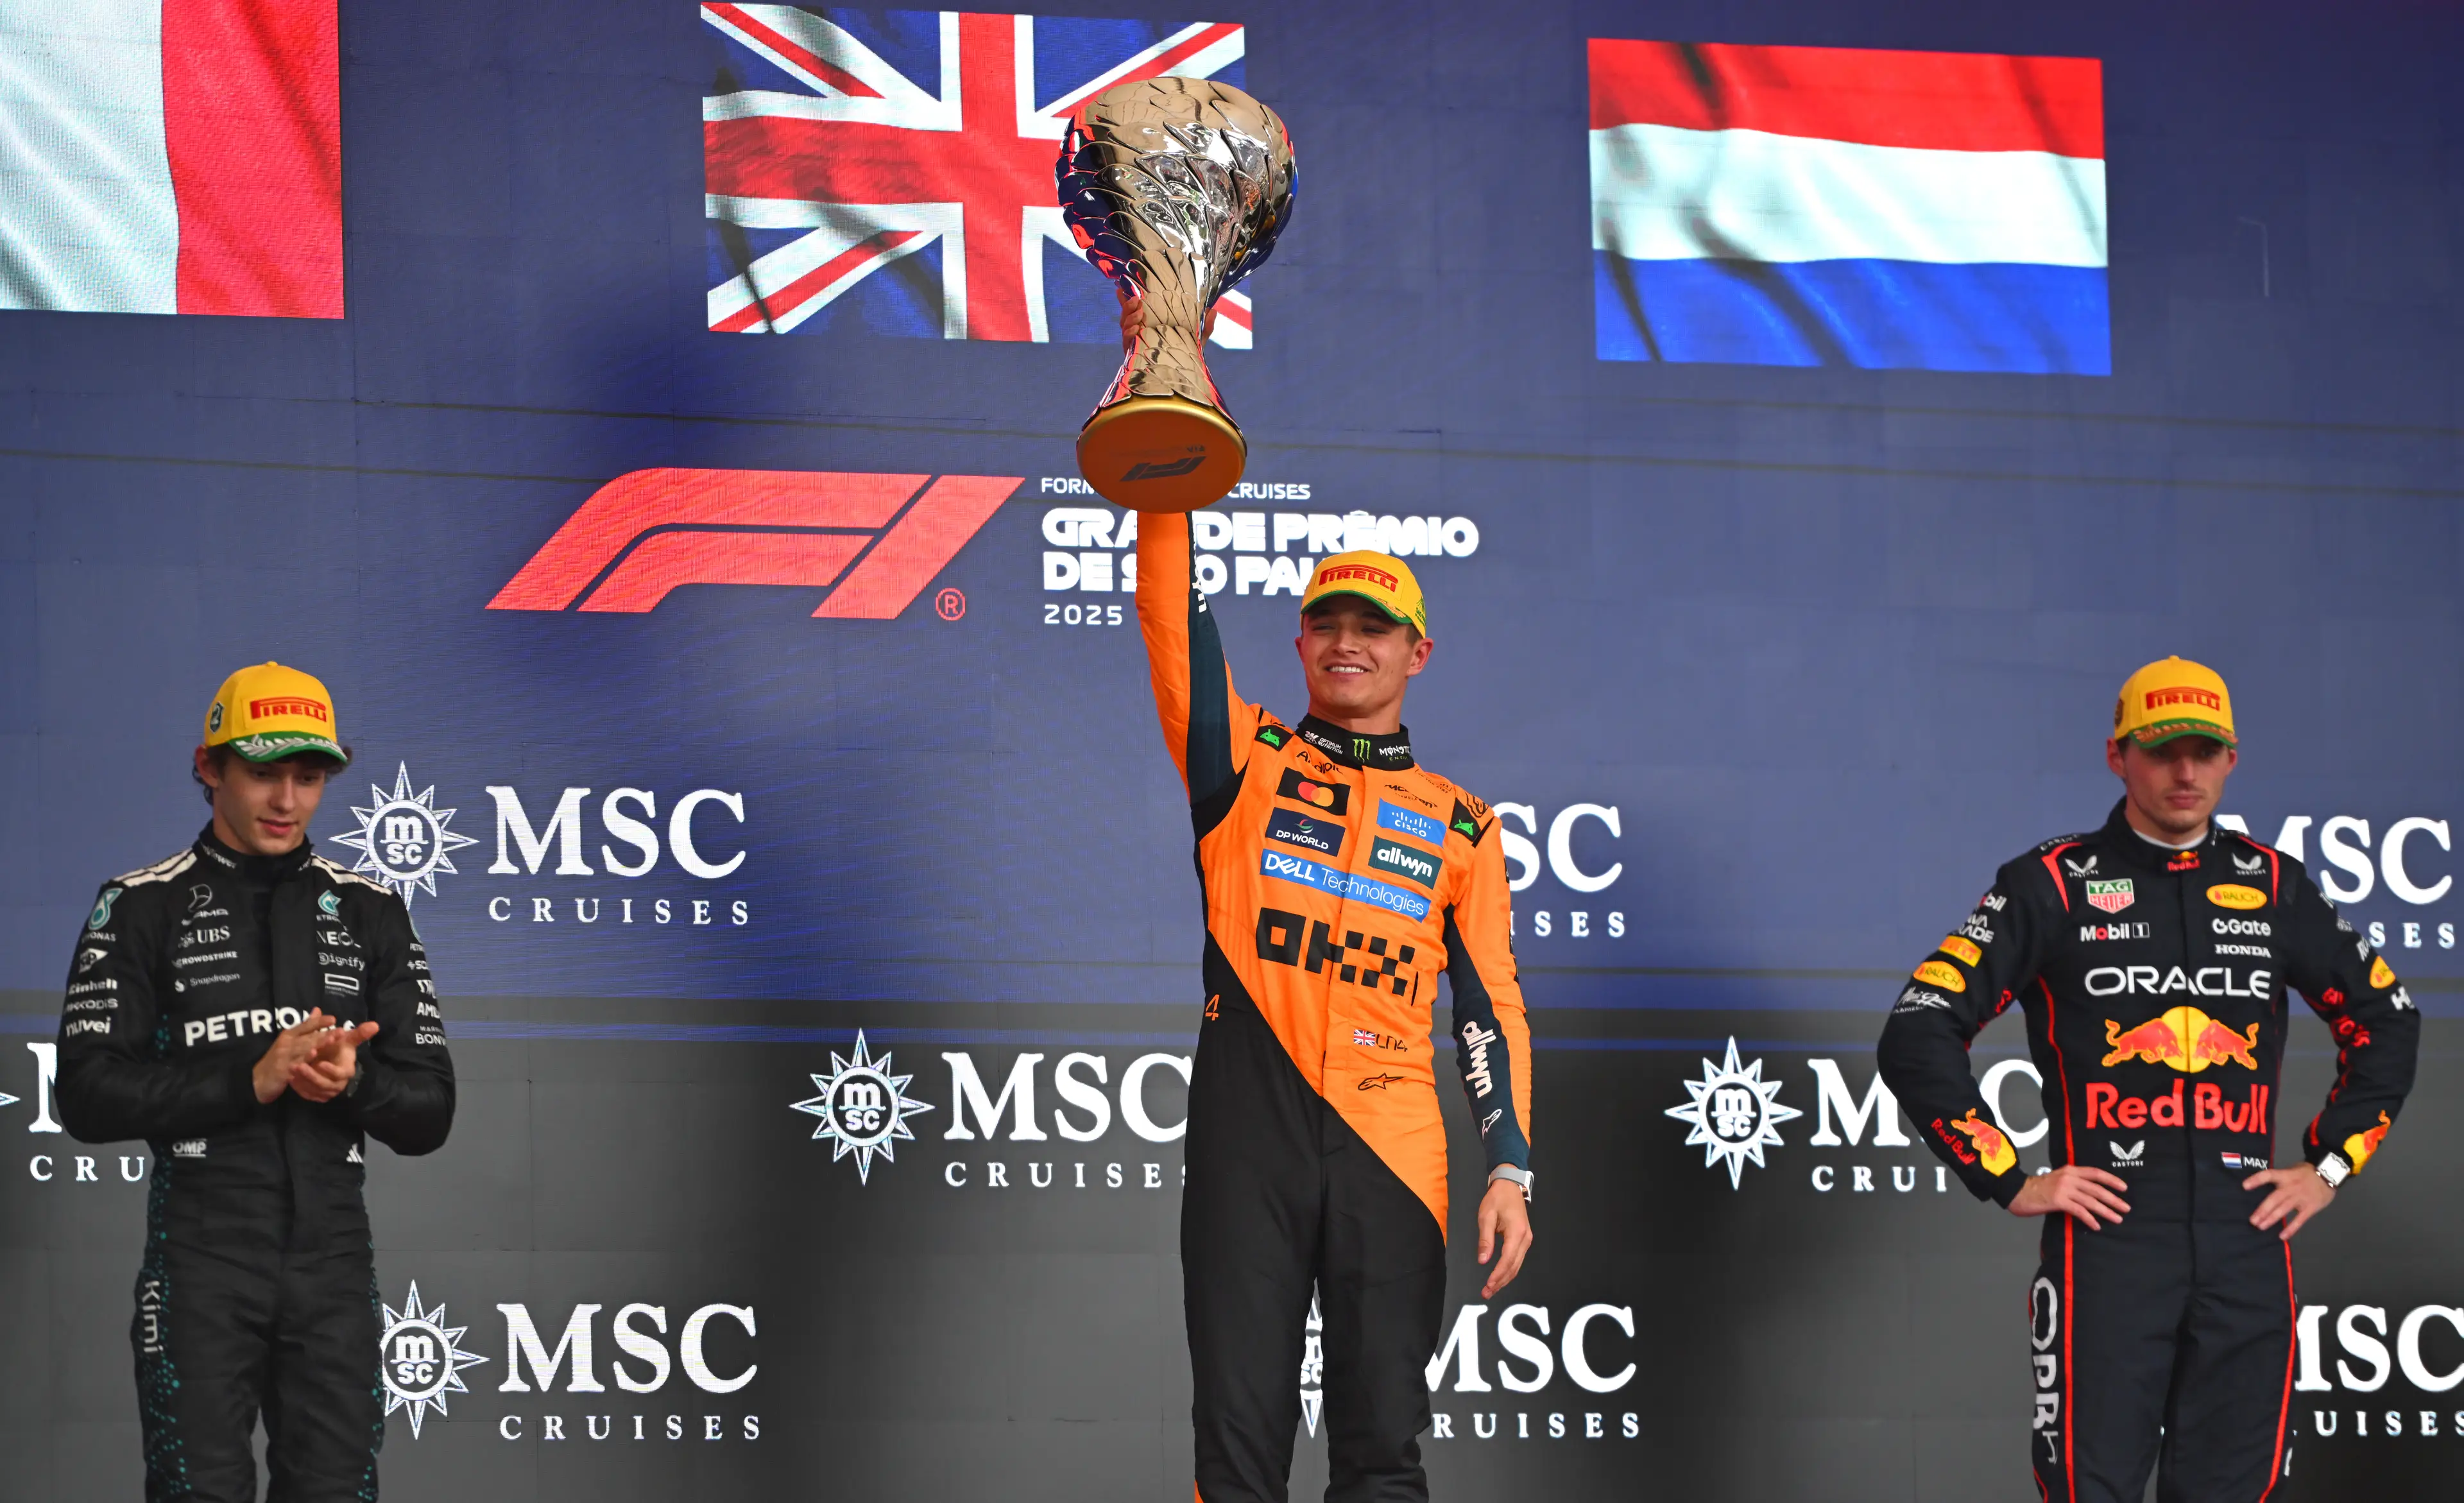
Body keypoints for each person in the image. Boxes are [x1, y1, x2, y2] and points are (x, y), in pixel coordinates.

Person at [1878, 656, 2418, 1502]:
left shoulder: (2275, 885)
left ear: (2233, 758)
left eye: (2205, 750)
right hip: (2109, 1248)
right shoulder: (2053, 882)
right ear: (2117, 755)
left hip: (2247, 1246)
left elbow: (2387, 1019)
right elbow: (1919, 1029)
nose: (2186, 772)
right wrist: (2007, 1174)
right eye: (2163, 749)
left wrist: (2330, 1165)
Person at [1135, 508, 1534, 1503]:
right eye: (1327, 623)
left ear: (1418, 651)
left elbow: (1489, 1008)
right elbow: (1175, 625)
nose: (1347, 643)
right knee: (1234, 1452)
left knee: (1382, 1456)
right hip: (1247, 1144)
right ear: (1301, 641)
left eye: (1374, 627)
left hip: (1394, 1152)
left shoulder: (1462, 823)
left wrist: (1511, 1165)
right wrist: (1164, 486)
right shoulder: (1244, 760)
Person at [56, 662, 455, 1503]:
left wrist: (354, 1081)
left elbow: (430, 1112)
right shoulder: (137, 906)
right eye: (263, 773)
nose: (287, 800)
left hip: (335, 1266)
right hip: (200, 1260)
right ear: (209, 768)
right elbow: (85, 1094)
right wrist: (252, 1078)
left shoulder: (371, 909)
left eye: (308, 778)